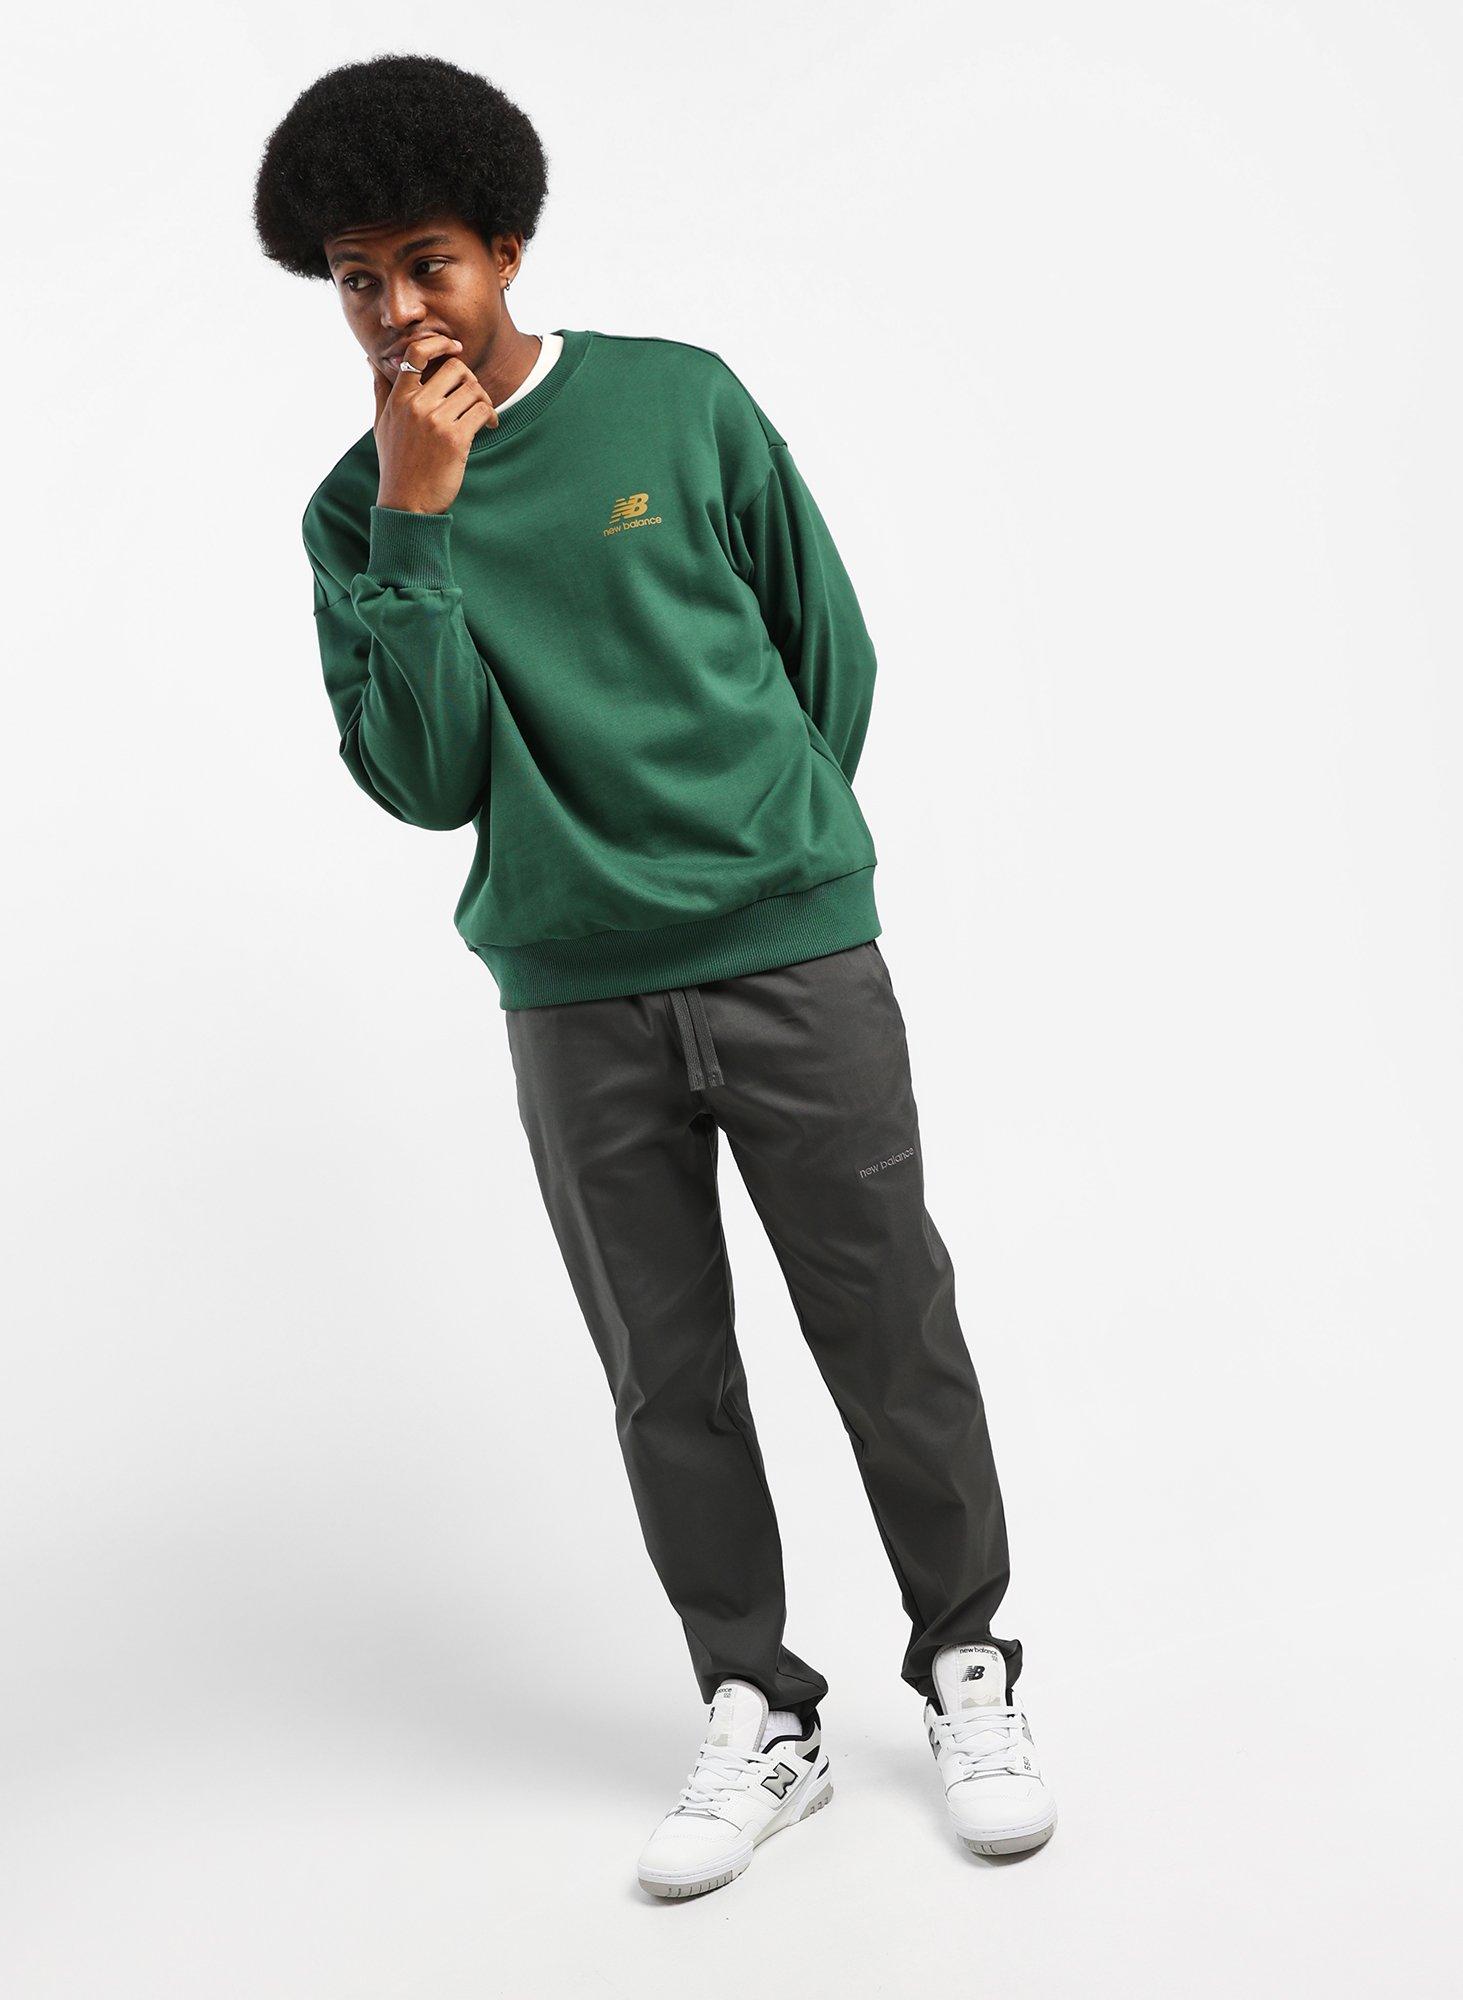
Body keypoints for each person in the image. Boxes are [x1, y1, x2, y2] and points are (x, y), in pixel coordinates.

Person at [254, 51, 1057, 1896]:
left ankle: (967, 1663)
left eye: (427, 263)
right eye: (358, 280)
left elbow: (828, 653)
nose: (396, 310)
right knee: (663, 1372)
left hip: (792, 955)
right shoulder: (355, 511)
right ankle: (758, 1707)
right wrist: (419, 515)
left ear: (506, 249)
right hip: (567, 993)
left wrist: (765, 847)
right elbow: (424, 778)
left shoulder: (680, 401)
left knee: (890, 1325)